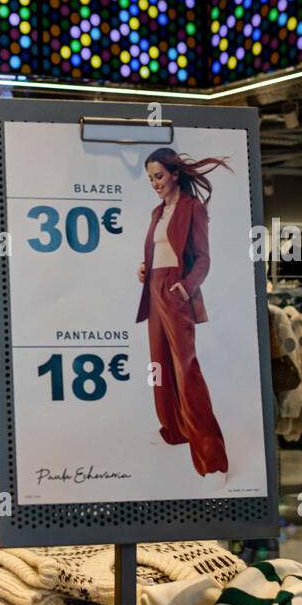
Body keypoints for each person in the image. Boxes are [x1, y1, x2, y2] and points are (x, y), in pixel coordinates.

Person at [135, 147, 231, 485]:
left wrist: (185, 288)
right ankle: (174, 430)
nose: (155, 183)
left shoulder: (193, 209)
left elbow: (203, 259)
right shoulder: (156, 212)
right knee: (158, 366)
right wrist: (146, 269)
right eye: (150, 178)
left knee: (186, 369)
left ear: (175, 174)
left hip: (176, 291)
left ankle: (212, 455)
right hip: (155, 288)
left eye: (159, 176)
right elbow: (159, 250)